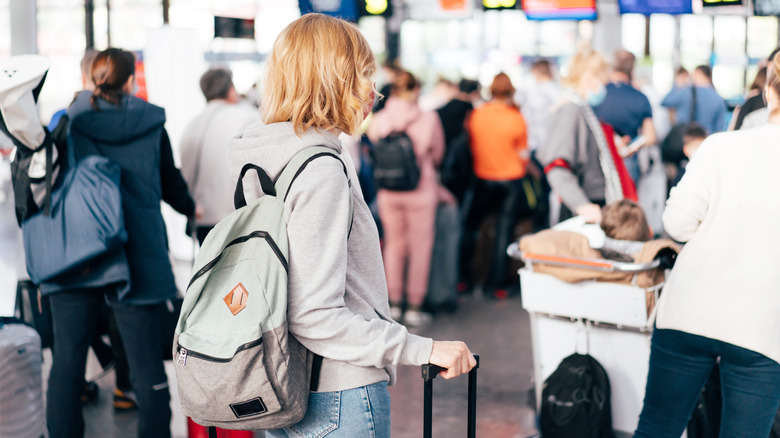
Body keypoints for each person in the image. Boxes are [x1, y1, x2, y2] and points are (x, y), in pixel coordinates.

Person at [225, 14, 476, 438]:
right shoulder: (320, 166)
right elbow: (315, 313)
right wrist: (421, 349)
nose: (374, 93)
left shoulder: (265, 154)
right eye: (363, 76)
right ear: (332, 80)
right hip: (338, 397)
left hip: (282, 383)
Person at [46, 48, 196, 438]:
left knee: (66, 364)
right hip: (138, 254)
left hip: (76, 254)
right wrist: (191, 210)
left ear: (92, 79)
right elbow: (170, 185)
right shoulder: (150, 124)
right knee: (148, 369)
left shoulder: (68, 124)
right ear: (130, 80)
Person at [633, 52, 780, 438]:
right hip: (762, 327)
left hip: (690, 310)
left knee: (657, 428)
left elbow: (676, 224)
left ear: (768, 92)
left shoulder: (720, 147)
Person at [367, 70, 446, 326]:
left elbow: (374, 149)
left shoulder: (379, 119)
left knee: (393, 246)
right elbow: (437, 155)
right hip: (420, 190)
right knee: (419, 247)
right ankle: (414, 305)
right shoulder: (429, 118)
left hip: (389, 192)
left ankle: (393, 304)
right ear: (415, 90)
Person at [537, 45, 636, 225]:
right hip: (586, 205)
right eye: (603, 80)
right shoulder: (571, 110)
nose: (605, 86)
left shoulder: (582, 110)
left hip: (589, 203)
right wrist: (582, 205)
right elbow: (556, 165)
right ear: (590, 77)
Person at [458, 72, 528, 299]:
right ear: (511, 92)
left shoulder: (478, 114)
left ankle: (464, 280)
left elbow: (470, 144)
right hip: (511, 180)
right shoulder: (516, 117)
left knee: (471, 227)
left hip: (483, 178)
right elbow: (523, 155)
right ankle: (495, 286)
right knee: (503, 232)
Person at [180, 67, 260, 244]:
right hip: (238, 220)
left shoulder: (190, 127)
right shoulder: (248, 118)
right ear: (231, 91)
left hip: (201, 221)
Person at [594, 49, 657, 183]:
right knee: (626, 202)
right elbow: (650, 137)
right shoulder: (640, 97)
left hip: (598, 157)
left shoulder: (597, 93)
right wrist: (629, 149)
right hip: (627, 160)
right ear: (632, 69)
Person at [661, 65, 728, 136]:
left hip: (686, 139)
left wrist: (677, 85)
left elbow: (665, 102)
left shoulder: (686, 92)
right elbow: (720, 128)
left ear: (698, 73)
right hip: (706, 140)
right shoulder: (718, 99)